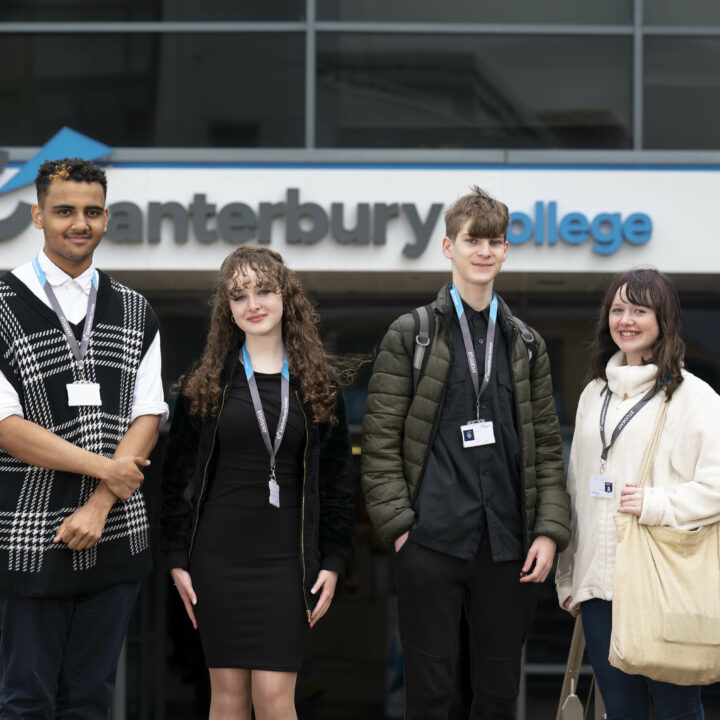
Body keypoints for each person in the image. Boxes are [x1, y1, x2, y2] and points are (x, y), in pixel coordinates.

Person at [361, 186, 571, 719]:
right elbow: (380, 441)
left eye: (494, 242)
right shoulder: (411, 334)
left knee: (499, 695)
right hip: (430, 539)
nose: (483, 251)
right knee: (430, 694)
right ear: (448, 247)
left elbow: (547, 444)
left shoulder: (526, 343)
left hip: (508, 544)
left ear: (505, 251)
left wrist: (548, 532)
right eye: (471, 240)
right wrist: (401, 528)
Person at [0, 158, 168, 718]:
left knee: (92, 700)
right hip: (26, 538)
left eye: (92, 212)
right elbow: (6, 429)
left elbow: (149, 414)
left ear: (105, 218)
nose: (80, 223)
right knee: (26, 701)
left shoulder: (136, 309)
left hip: (116, 531)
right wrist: (106, 470)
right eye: (65, 210)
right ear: (37, 215)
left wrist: (100, 503)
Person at [160, 246, 355, 720]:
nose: (253, 303)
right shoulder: (205, 384)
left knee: (273, 699)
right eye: (239, 295)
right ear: (228, 310)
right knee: (226, 698)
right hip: (217, 556)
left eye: (264, 290)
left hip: (288, 559)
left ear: (286, 295)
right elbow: (176, 479)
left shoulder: (317, 385)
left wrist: (333, 558)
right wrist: (175, 558)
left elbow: (336, 482)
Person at [556, 268, 719, 719]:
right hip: (599, 591)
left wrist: (655, 504)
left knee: (676, 710)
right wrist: (570, 577)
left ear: (664, 320)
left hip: (661, 586)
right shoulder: (594, 394)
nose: (626, 320)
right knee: (620, 712)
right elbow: (576, 492)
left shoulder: (694, 397)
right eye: (618, 309)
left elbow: (716, 487)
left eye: (640, 310)